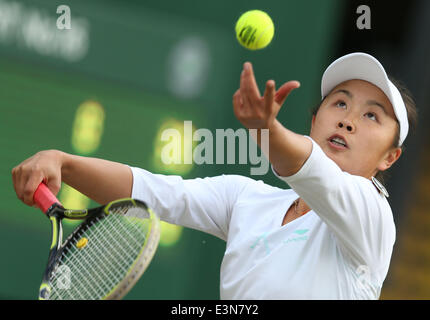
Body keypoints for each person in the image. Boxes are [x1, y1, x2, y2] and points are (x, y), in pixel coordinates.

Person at [12, 52, 417, 299]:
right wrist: (66, 163)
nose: (348, 120)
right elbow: (154, 191)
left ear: (390, 157)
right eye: (340, 103)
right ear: (314, 120)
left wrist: (267, 132)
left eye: (371, 116)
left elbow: (312, 170)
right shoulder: (246, 199)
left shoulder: (372, 217)